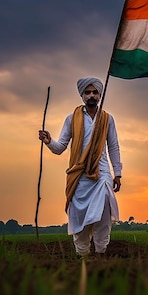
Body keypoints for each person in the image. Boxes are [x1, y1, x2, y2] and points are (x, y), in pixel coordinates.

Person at [38, 77, 122, 258]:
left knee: (103, 215)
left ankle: (101, 253)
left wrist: (118, 174)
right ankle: (82, 255)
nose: (91, 95)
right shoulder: (71, 119)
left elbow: (113, 146)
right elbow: (60, 147)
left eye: (95, 92)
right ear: (82, 95)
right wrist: (48, 141)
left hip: (102, 173)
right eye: (87, 92)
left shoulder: (107, 119)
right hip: (79, 174)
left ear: (100, 95)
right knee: (78, 215)